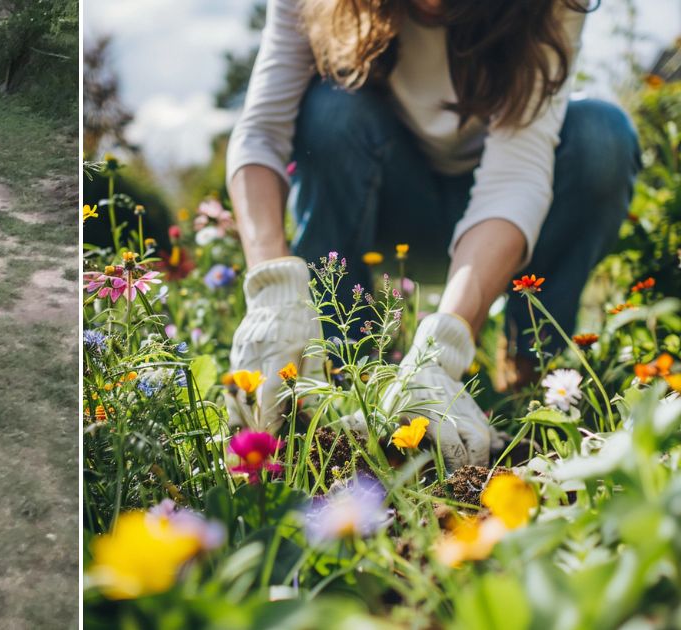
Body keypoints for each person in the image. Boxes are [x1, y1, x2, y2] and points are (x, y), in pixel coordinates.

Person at [225, 0, 640, 468]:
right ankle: (348, 377)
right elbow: (261, 131)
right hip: (389, 202)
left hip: (495, 234)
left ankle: (531, 380)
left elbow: (516, 176)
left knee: (602, 138)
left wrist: (444, 346)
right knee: (331, 109)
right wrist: (272, 287)